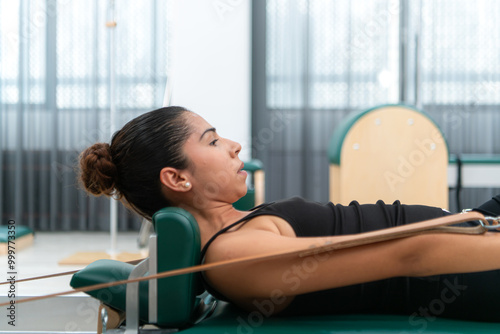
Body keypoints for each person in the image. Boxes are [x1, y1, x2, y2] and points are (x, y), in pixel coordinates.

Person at [79, 106, 500, 322]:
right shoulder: (233, 257)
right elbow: (409, 255)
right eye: (211, 142)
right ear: (177, 179)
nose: (233, 146)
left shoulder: (237, 228)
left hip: (469, 230)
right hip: (470, 273)